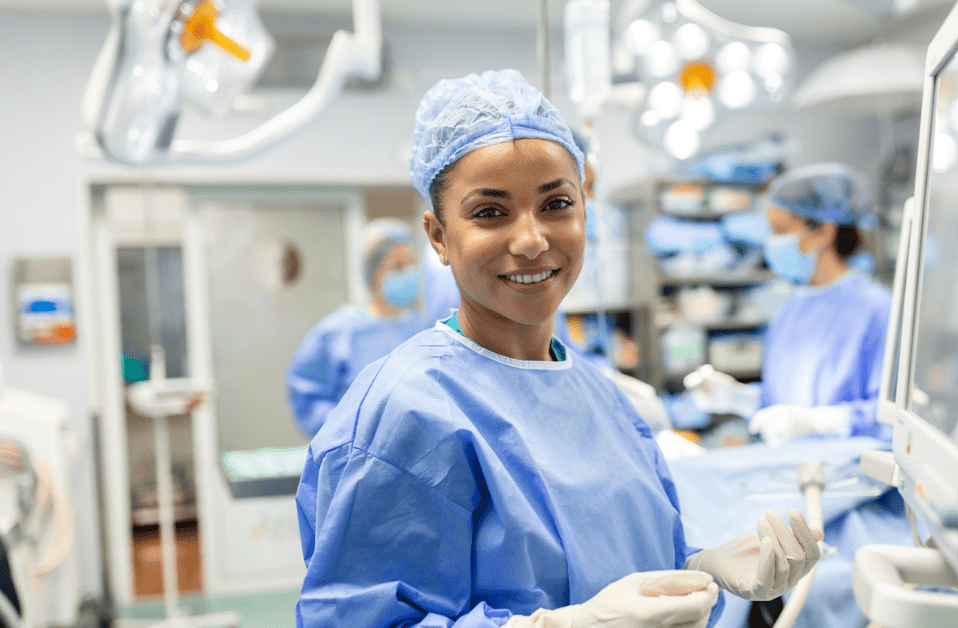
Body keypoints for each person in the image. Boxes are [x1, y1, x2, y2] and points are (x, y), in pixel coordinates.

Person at [295, 69, 822, 628]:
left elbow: (619, 565)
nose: (531, 240)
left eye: (556, 204)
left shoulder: (600, 395)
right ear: (438, 236)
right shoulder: (403, 415)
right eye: (490, 212)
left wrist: (703, 567)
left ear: (583, 214)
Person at [687, 163, 891, 445]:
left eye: (781, 230)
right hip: (792, 470)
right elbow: (784, 401)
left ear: (823, 232)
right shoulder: (790, 309)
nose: (772, 242)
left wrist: (818, 422)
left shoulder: (878, 310)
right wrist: (740, 399)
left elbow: (891, 417)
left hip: (852, 479)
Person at [284, 218, 437, 437]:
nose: (408, 272)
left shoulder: (424, 329)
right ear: (373, 274)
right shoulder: (339, 331)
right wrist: (343, 426)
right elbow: (306, 395)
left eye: (412, 263)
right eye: (397, 266)